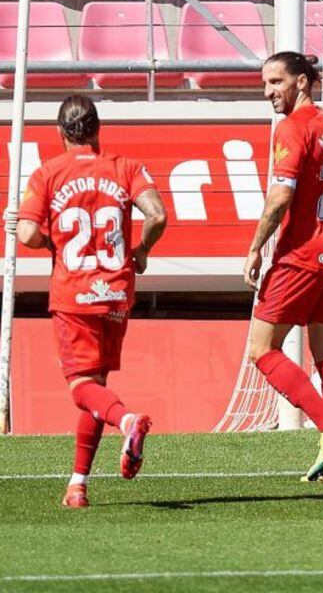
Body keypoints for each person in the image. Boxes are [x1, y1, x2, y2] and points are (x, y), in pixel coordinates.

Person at [15, 95, 168, 508]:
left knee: (82, 388)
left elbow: (27, 234)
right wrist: (141, 252)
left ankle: (127, 420)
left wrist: (50, 241)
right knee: (97, 387)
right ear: (98, 130)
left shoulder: (48, 173)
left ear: (60, 133)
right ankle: (77, 484)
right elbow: (157, 215)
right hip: (117, 292)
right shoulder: (126, 167)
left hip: (74, 294)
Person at [244, 52, 323, 482]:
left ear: (303, 83)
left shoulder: (293, 127)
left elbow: (281, 196)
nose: (269, 92)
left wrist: (255, 247)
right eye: (265, 84)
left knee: (262, 349)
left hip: (302, 259)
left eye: (276, 82)